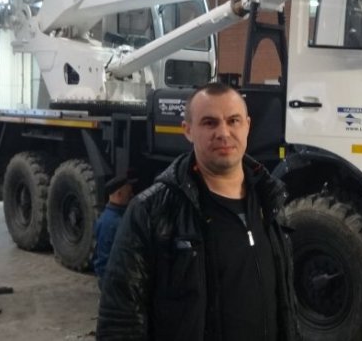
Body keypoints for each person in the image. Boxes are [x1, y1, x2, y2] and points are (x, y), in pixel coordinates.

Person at [97, 82, 299, 341]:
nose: (223, 133)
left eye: (233, 121)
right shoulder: (152, 211)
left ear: (247, 125)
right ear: (188, 130)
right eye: (209, 123)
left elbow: (285, 301)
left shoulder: (269, 201)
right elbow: (119, 320)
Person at [93, 172, 137, 288]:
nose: (132, 195)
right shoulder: (113, 223)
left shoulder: (109, 218)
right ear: (119, 194)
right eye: (129, 192)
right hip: (114, 282)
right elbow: (106, 259)